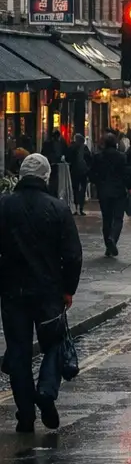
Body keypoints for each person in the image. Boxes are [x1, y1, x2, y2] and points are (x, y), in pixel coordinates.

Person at [0, 153, 83, 433]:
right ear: (46, 177)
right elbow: (73, 255)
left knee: (19, 352)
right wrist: (68, 289)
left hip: (12, 293)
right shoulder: (58, 209)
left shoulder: (4, 206)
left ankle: (25, 416)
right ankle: (46, 390)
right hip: (49, 292)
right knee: (54, 344)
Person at [90, 134, 131, 258]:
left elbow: (92, 174)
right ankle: (112, 238)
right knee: (118, 218)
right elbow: (126, 173)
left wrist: (98, 183)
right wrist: (130, 186)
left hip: (104, 192)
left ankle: (108, 245)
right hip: (119, 192)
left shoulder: (98, 157)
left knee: (107, 219)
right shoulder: (121, 157)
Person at [67, 133, 92, 216]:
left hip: (74, 171)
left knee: (75, 189)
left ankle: (75, 207)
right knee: (82, 189)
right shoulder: (85, 148)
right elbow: (90, 158)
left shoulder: (72, 147)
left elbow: (68, 158)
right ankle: (81, 208)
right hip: (83, 172)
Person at [41, 127, 68, 197]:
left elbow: (43, 153)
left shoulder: (48, 143)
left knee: (52, 178)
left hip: (52, 163)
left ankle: (52, 191)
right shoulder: (61, 143)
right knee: (55, 179)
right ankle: (54, 192)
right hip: (56, 164)